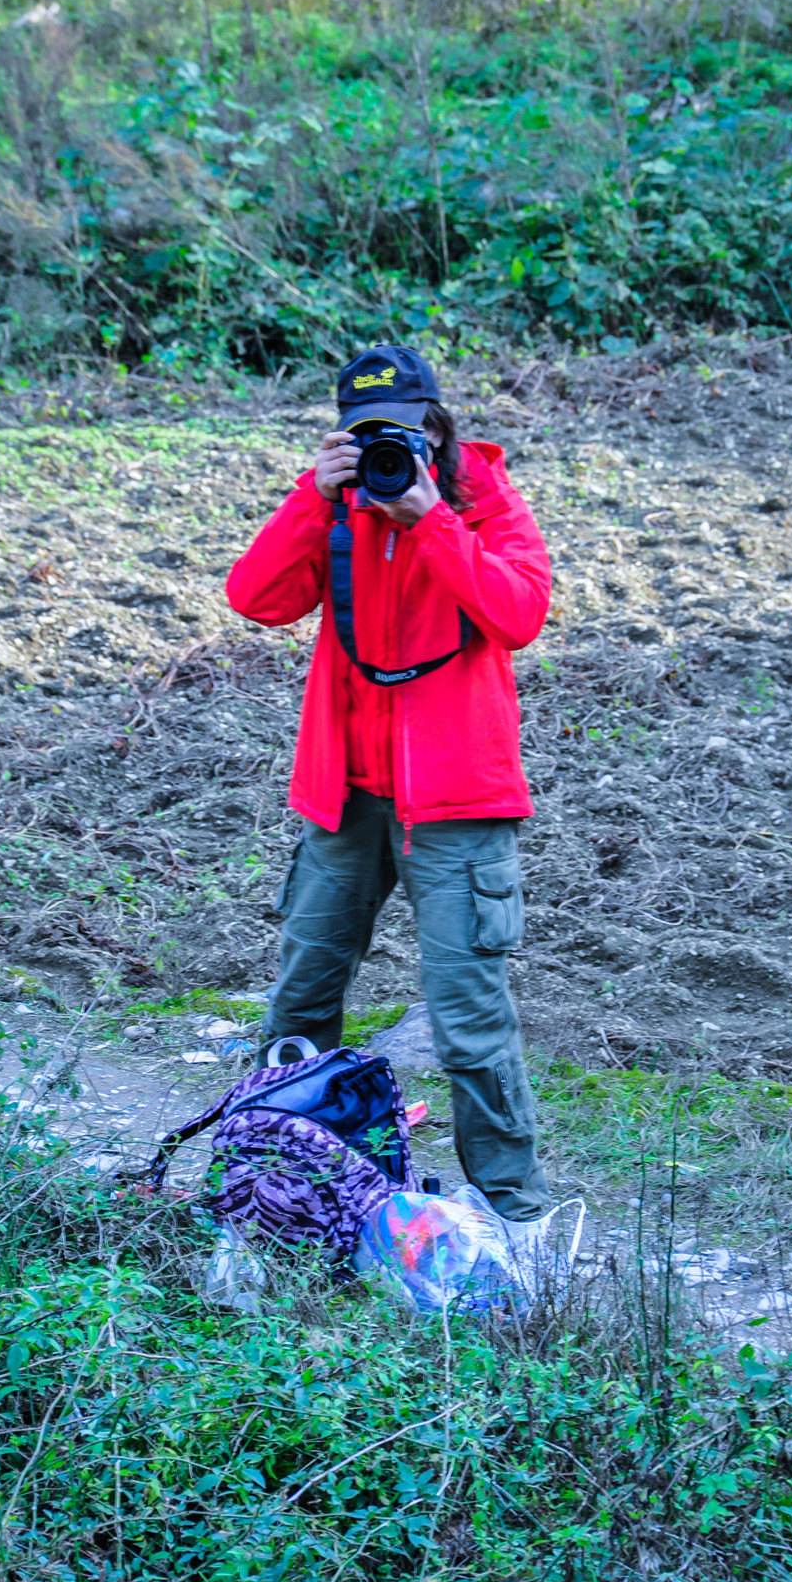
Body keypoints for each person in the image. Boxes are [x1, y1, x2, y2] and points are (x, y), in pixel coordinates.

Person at [225, 343, 555, 1256]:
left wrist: (431, 517)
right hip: (345, 799)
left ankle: (514, 1213)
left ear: (437, 428)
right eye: (367, 436)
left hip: (456, 806)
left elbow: (520, 612)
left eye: (402, 433)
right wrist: (314, 492)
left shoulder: (480, 499)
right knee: (300, 999)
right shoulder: (339, 507)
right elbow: (252, 598)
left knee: (469, 1018)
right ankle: (277, 1174)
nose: (387, 452)